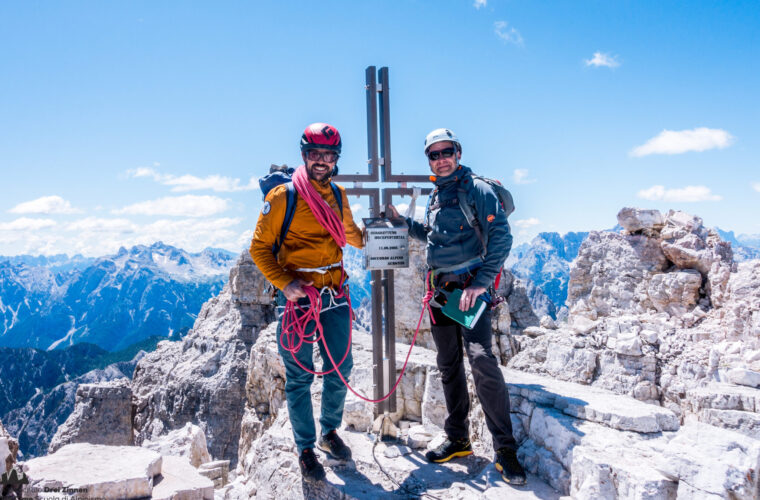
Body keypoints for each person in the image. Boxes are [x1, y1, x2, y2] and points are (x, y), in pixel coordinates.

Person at [388, 128, 527, 485]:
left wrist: (482, 282)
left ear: (458, 153)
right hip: (440, 291)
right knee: (448, 363)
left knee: (481, 359)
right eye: (433, 155)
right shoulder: (438, 194)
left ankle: (505, 449)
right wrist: (405, 225)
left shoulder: (476, 189)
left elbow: (502, 236)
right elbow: (434, 237)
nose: (440, 159)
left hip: (469, 290)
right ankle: (458, 438)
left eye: (446, 152)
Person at [250, 123, 364, 482]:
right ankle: (305, 448)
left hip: (333, 292)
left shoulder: (340, 196)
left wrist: (385, 230)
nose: (321, 161)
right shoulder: (282, 198)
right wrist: (285, 283)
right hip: (297, 300)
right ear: (304, 155)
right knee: (299, 377)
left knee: (341, 367)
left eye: (328, 155)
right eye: (315, 153)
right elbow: (259, 248)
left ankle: (329, 431)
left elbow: (353, 237)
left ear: (336, 160)